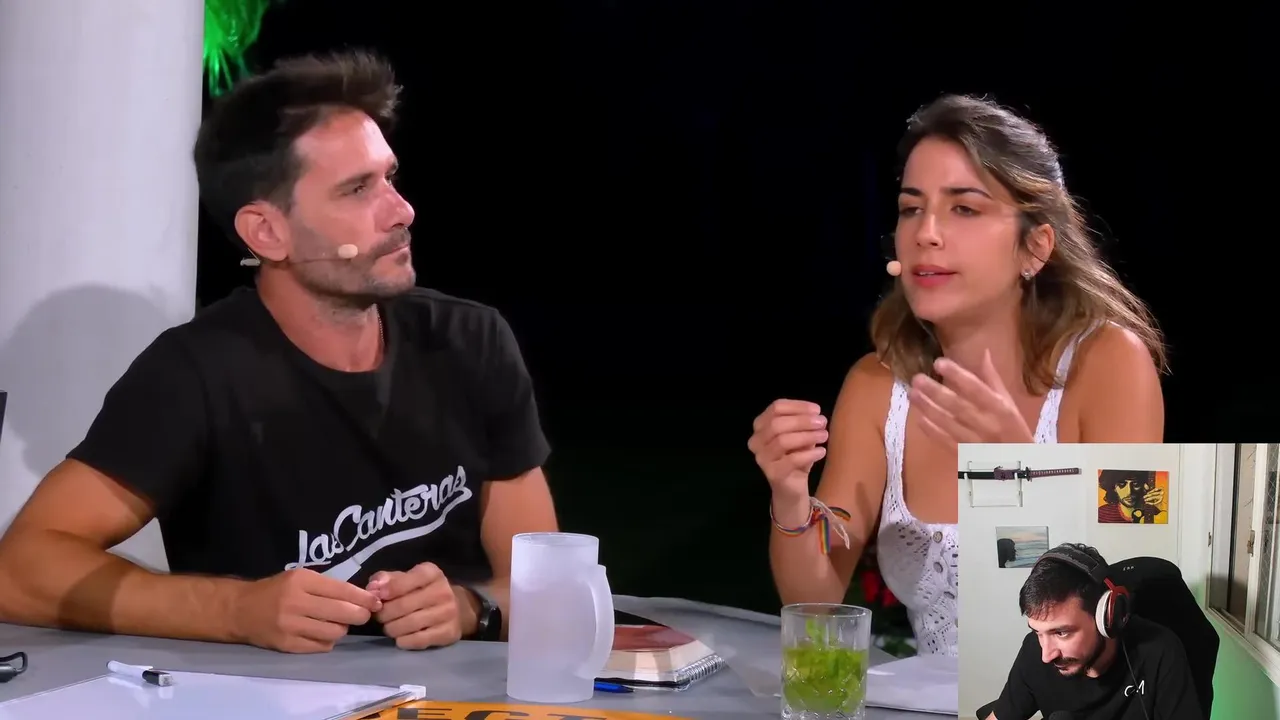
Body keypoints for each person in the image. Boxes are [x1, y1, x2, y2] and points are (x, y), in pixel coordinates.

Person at [0, 51, 558, 654]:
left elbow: (550, 585)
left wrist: (472, 608)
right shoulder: (196, 374)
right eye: (357, 189)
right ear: (267, 233)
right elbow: (18, 571)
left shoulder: (470, 341)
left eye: (389, 178)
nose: (402, 211)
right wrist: (236, 611)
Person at [747, 94, 1166, 657]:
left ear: (1035, 247)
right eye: (911, 208)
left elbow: (1133, 593)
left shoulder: (1112, 364)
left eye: (964, 209)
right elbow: (816, 602)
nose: (927, 232)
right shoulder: (876, 386)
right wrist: (790, 496)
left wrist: (1020, 475)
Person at [984, 544, 1202, 719]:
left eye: (1061, 633)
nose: (1047, 655)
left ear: (1107, 618)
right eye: (1037, 632)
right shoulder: (1034, 650)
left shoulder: (1159, 650)